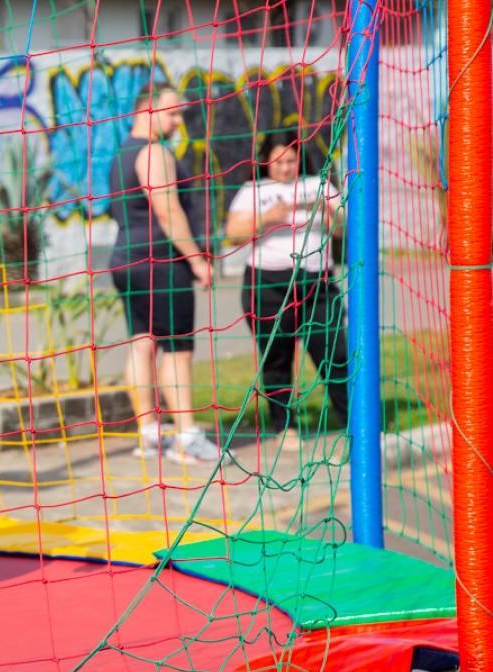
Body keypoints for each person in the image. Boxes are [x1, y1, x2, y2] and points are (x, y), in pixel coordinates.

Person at [109, 82, 225, 466]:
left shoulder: (121, 153)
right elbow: (167, 209)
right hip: (159, 264)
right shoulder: (153, 151)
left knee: (142, 344)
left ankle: (150, 436)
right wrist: (196, 259)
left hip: (127, 261)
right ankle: (187, 438)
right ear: (146, 111)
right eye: (172, 112)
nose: (178, 120)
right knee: (178, 349)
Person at [223, 132, 348, 445]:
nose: (284, 167)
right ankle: (285, 427)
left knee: (334, 354)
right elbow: (233, 234)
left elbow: (343, 228)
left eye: (291, 160)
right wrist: (265, 217)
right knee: (276, 357)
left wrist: (331, 212)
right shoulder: (253, 190)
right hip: (268, 284)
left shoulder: (317, 184)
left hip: (317, 284)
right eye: (277, 161)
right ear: (265, 161)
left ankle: (353, 426)